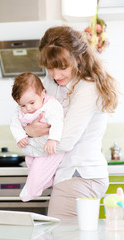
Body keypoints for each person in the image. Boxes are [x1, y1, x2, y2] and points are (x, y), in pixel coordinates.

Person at [20, 26, 119, 219]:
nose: (56, 74)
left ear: (79, 57)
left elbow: (64, 141)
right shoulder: (52, 81)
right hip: (67, 174)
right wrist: (29, 129)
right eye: (50, 67)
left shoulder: (87, 88)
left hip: (80, 174)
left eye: (62, 67)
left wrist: (29, 139)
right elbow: (34, 115)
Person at [10, 72, 65, 202]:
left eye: (31, 103)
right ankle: (45, 181)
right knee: (31, 163)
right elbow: (14, 123)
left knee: (38, 169)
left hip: (49, 149)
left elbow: (58, 121)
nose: (28, 108)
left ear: (42, 94)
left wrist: (53, 139)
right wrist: (20, 137)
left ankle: (32, 190)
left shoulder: (51, 106)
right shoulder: (20, 112)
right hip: (33, 147)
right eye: (23, 105)